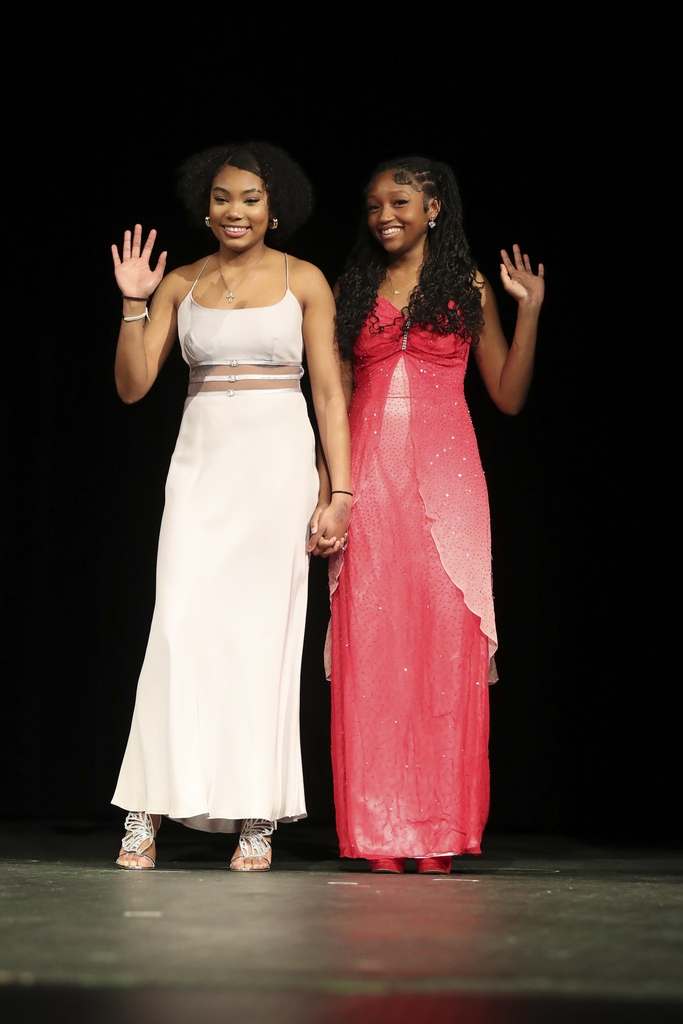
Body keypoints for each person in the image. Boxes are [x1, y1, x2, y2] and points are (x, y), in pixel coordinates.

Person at [111, 142, 351, 871]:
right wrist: (133, 300)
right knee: (177, 629)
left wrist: (339, 491)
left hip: (276, 468)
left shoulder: (304, 280)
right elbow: (131, 386)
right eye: (222, 197)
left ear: (275, 207)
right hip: (201, 468)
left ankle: (256, 814)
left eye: (250, 197)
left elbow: (331, 392)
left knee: (260, 640)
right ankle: (145, 812)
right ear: (204, 206)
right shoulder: (180, 282)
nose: (235, 210)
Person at [317, 156, 544, 873]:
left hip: (448, 486)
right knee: (374, 649)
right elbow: (330, 399)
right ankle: (378, 834)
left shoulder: (469, 286)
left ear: (435, 207)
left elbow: (506, 394)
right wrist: (331, 489)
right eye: (374, 203)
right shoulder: (348, 287)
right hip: (369, 486)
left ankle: (439, 830)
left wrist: (529, 309)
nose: (384, 214)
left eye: (400, 201)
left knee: (445, 648)